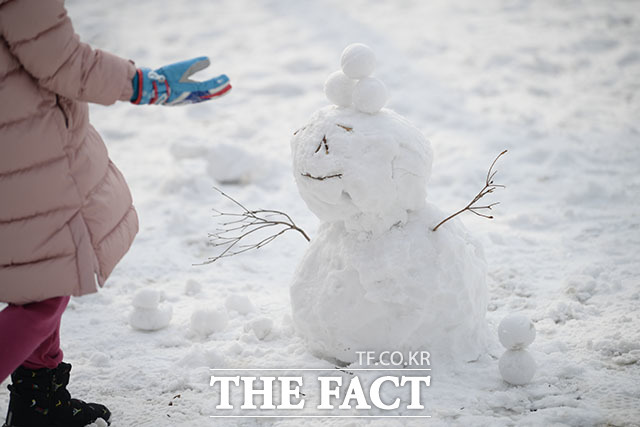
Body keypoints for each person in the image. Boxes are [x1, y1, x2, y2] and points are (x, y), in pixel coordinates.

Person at [0, 0, 231, 425]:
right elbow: (61, 60)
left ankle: (38, 403)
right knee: (44, 294)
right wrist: (146, 84)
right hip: (21, 152)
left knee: (42, 276)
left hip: (19, 142)